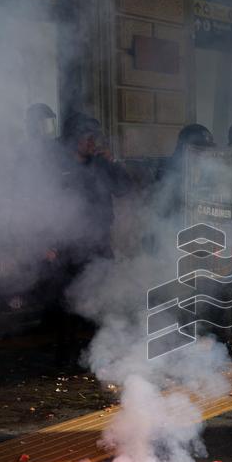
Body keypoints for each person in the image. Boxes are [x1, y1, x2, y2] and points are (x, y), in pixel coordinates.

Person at [47, 111, 133, 365]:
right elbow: (44, 205)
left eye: (95, 137)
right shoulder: (58, 167)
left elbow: (124, 188)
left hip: (98, 241)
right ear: (73, 139)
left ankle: (98, 353)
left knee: (101, 295)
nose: (92, 142)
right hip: (67, 244)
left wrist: (113, 162)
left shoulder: (101, 165)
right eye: (87, 137)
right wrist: (48, 243)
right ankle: (66, 354)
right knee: (67, 301)